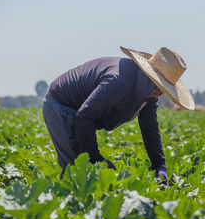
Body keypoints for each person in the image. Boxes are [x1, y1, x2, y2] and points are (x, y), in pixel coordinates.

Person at [42, 46, 195, 185]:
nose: (158, 93)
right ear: (147, 76)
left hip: (81, 113)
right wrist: (96, 159)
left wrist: (159, 165)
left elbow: (150, 128)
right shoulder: (118, 81)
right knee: (76, 171)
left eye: (163, 90)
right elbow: (84, 117)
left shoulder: (148, 93)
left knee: (85, 174)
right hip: (61, 106)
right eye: (158, 86)